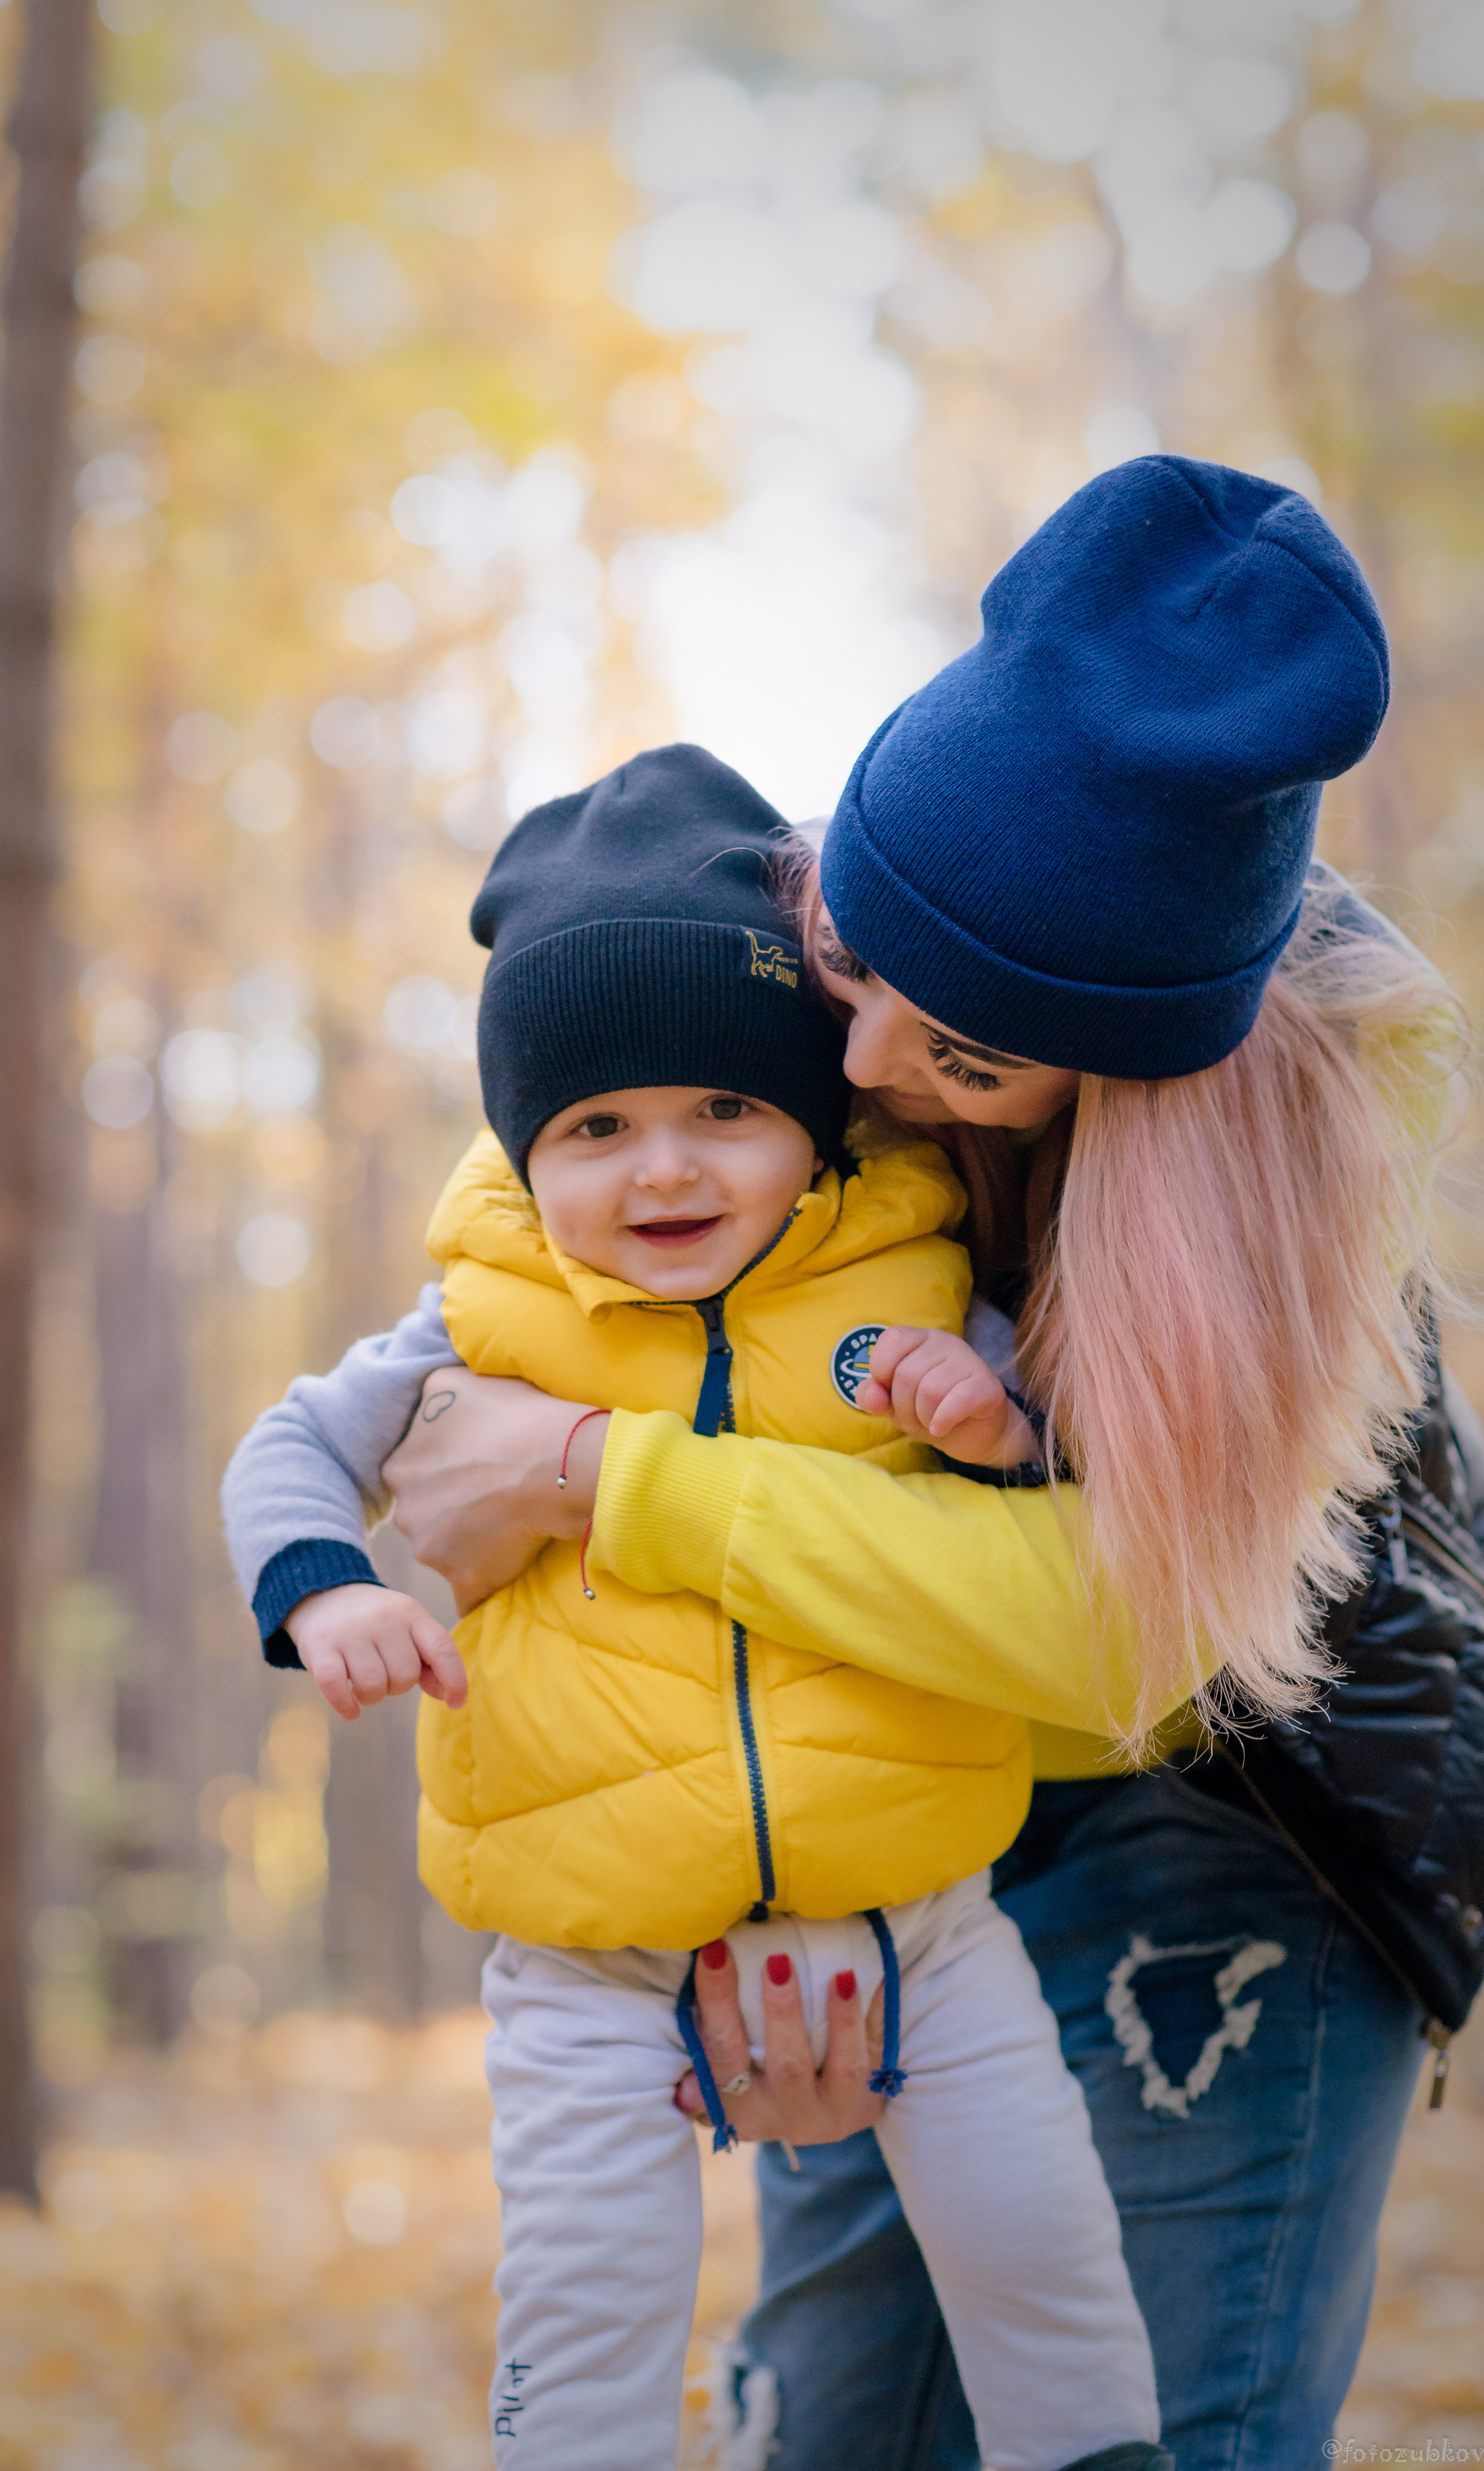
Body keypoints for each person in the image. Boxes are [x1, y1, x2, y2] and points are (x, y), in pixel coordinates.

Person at [238, 459, 1474, 2468]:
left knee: (1140, 2421)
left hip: (1247, 1814)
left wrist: (595, 1472)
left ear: (1132, 1082)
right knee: (829, 2428)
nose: (875, 1063)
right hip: (876, 1773)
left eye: (971, 1057)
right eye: (861, 955)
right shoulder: (793, 933)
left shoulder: (1269, 1197)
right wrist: (737, 1877)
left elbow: (1114, 1653)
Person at [225, 745, 1173, 2471]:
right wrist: (324, 1589)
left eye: (727, 1110)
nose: (664, 1168)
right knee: (592, 2293)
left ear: (811, 1123)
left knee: (1043, 2254)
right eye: (596, 1128)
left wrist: (992, 1422)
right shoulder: (482, 1316)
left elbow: (1065, 1488)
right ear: (526, 1154)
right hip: (589, 1957)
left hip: (927, 1923)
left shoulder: (914, 1279)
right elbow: (291, 1448)